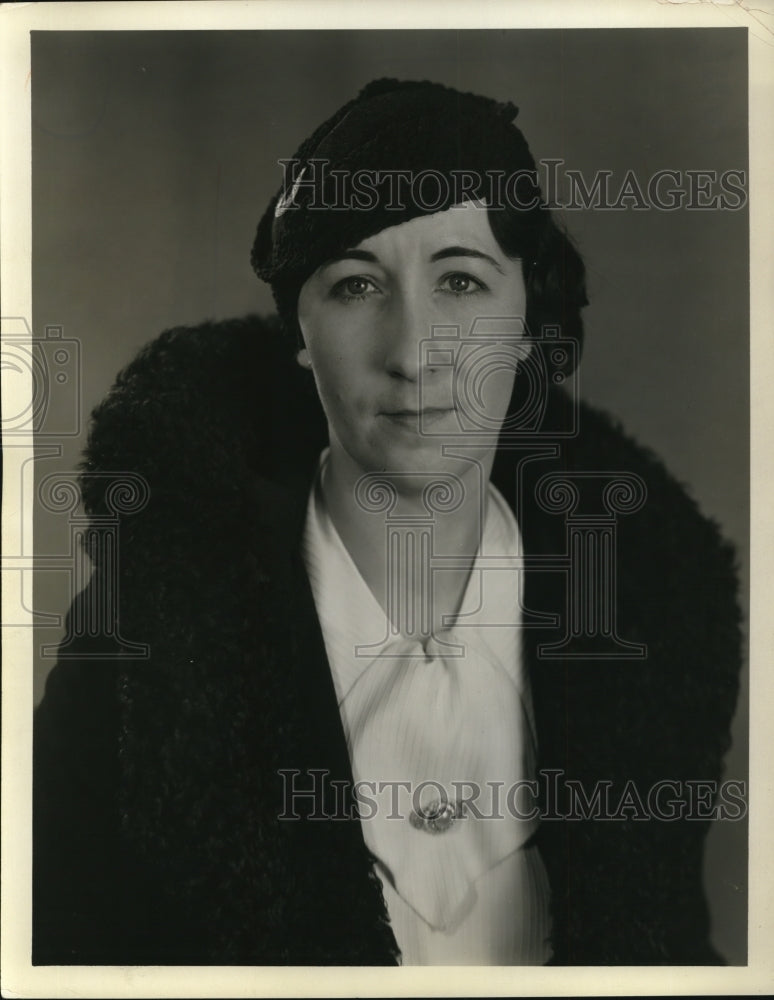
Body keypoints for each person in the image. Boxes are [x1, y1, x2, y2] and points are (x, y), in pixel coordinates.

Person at [33, 78, 742, 966]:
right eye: (357, 285)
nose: (412, 354)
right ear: (299, 329)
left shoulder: (657, 632)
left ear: (528, 319)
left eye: (460, 280)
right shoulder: (136, 651)